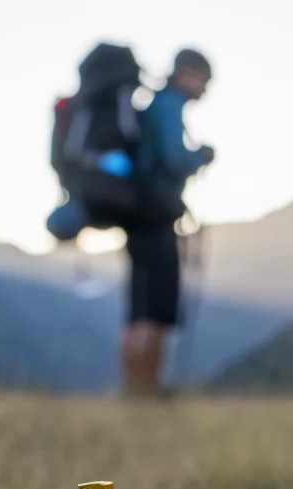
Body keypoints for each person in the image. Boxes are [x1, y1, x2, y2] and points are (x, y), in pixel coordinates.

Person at [121, 48, 216, 398]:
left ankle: (135, 387)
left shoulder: (154, 105)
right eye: (204, 79)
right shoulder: (169, 106)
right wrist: (201, 156)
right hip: (156, 215)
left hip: (139, 215)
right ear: (187, 73)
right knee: (156, 307)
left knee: (138, 306)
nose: (205, 88)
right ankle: (148, 388)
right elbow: (175, 159)